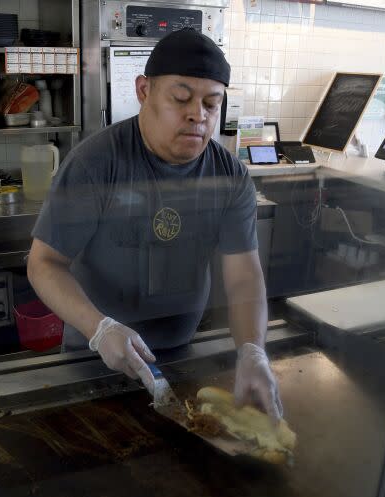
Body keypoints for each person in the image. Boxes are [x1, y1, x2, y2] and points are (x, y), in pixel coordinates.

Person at [28, 29, 283, 421]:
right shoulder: (96, 163)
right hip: (97, 356)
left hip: (182, 354)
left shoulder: (228, 176)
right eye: (181, 99)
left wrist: (252, 349)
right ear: (144, 90)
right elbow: (44, 263)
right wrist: (99, 329)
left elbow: (243, 276)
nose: (198, 114)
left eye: (212, 104)